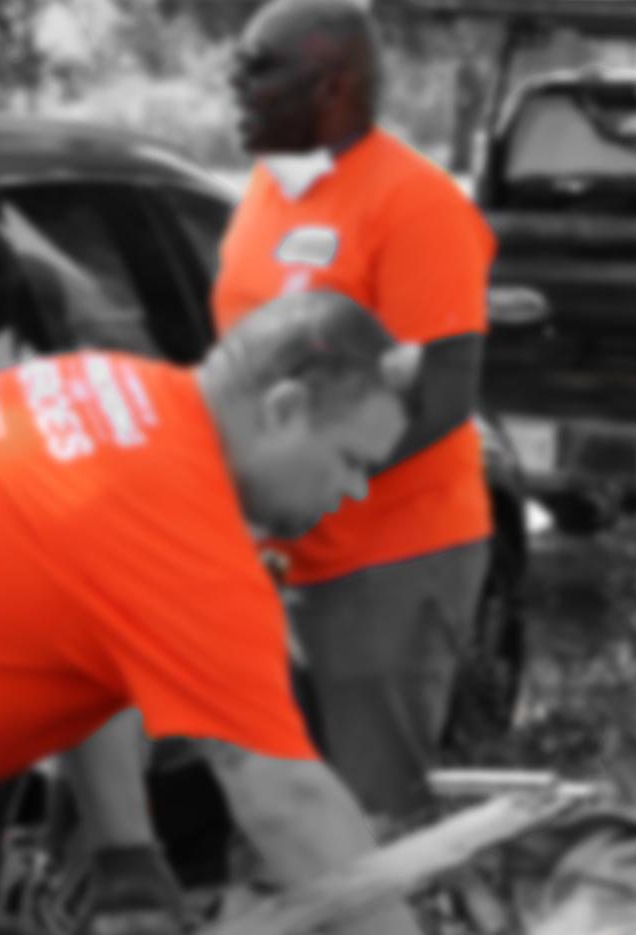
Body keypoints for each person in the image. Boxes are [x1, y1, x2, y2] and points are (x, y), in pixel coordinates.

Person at [0, 290, 423, 935]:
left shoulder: (93, 382)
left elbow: (94, 648)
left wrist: (124, 852)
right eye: (352, 461)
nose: (356, 491)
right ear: (285, 409)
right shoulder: (189, 540)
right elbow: (285, 801)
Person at [210, 0, 496, 820]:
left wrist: (305, 487)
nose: (236, 80)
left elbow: (445, 390)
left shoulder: (415, 205)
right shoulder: (264, 195)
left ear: (333, 84)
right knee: (281, 810)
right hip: (279, 555)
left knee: (375, 814)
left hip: (390, 558)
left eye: (260, 65)